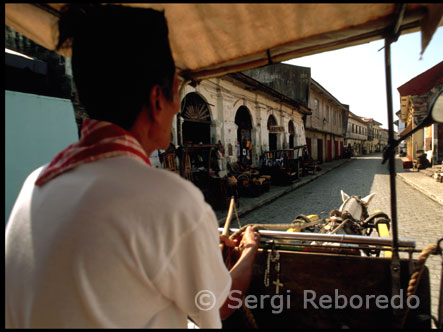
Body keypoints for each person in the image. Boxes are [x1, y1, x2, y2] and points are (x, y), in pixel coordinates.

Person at [5, 4, 260, 328]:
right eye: (176, 93)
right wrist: (250, 250)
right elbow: (221, 304)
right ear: (157, 99)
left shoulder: (35, 183)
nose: (176, 108)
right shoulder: (170, 199)